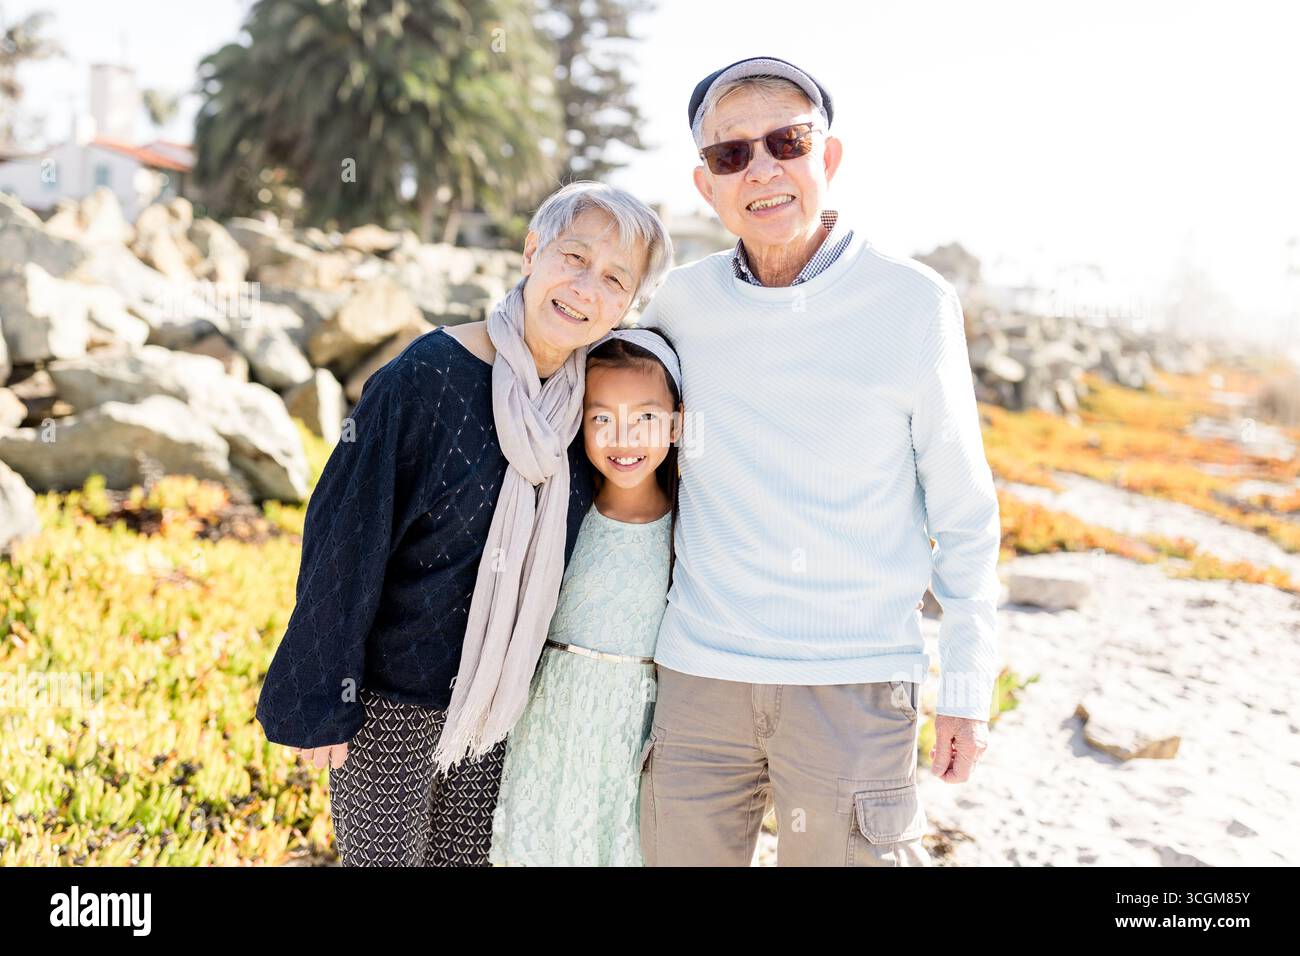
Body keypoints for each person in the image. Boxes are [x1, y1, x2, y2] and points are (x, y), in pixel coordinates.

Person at [634, 56, 1002, 866]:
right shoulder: (678, 305)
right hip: (698, 680)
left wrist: (967, 693)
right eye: (732, 154)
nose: (761, 169)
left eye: (787, 141)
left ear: (826, 160)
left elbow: (966, 516)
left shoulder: (913, 303)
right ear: (708, 185)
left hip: (857, 686)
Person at [254, 181, 673, 866]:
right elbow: (344, 538)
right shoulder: (425, 377)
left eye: (614, 279)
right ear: (532, 251)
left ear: (626, 306)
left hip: (503, 709)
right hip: (388, 704)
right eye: (573, 257)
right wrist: (318, 695)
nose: (585, 287)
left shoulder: (582, 407)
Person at [489, 328, 683, 866]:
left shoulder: (688, 525)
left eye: (645, 418)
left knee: (613, 844)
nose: (623, 438)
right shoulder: (562, 506)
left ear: (678, 422)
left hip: (632, 722)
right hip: (548, 709)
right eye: (602, 418)